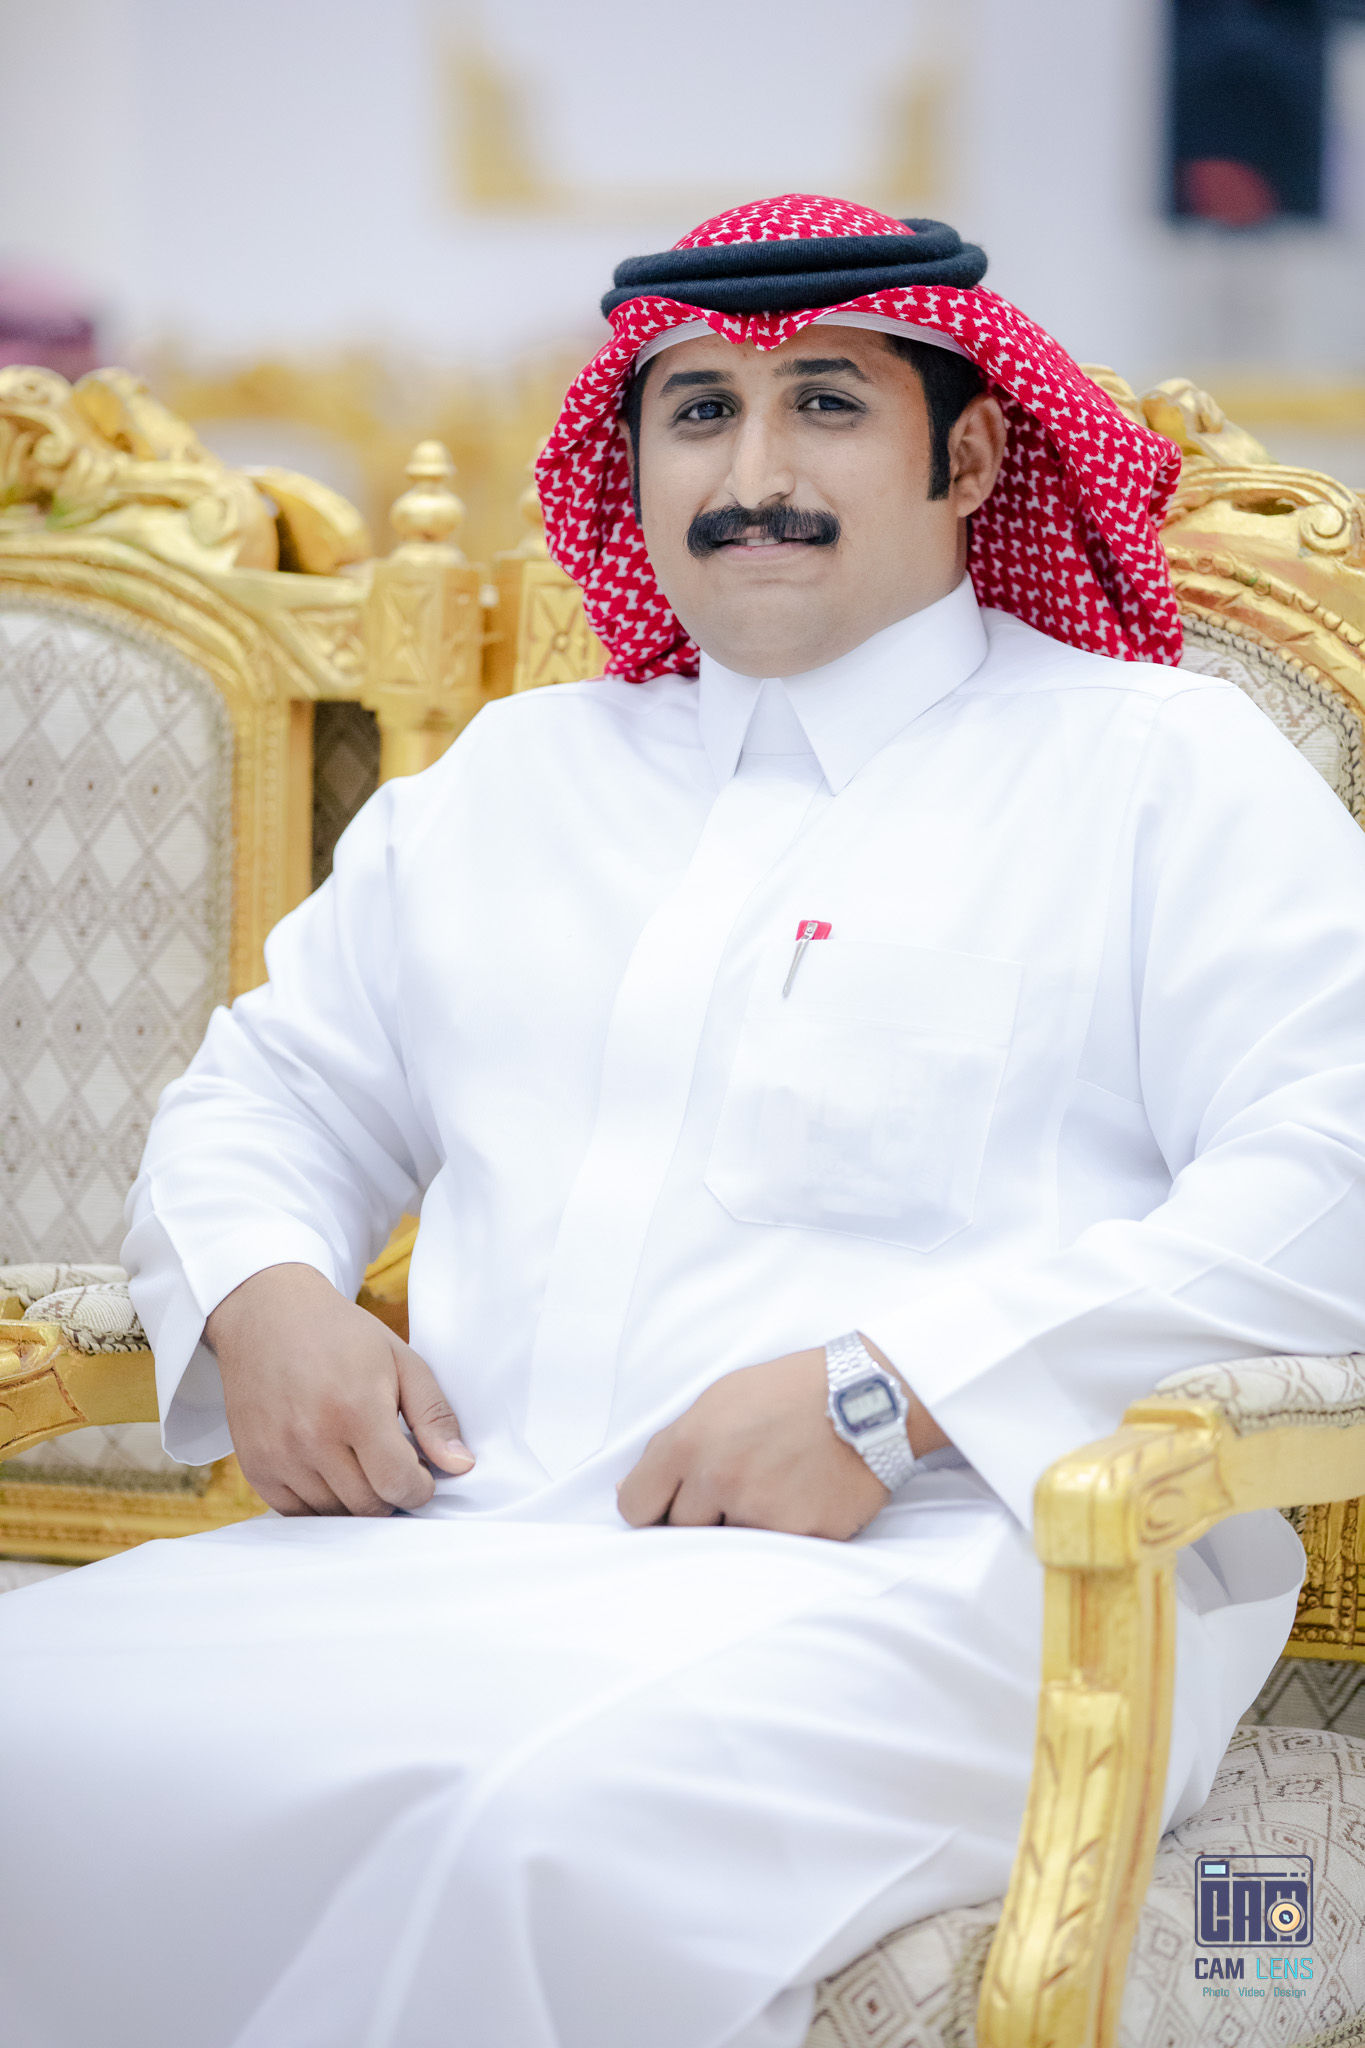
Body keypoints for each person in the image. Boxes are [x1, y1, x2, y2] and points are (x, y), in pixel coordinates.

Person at [2, 193, 1363, 2048]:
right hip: (448, 1546)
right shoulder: (514, 780)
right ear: (631, 462)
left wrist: (896, 1388)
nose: (753, 474)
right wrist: (264, 1294)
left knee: (525, 1840)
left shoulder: (1156, 769)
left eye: (825, 404)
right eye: (700, 411)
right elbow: (272, 1088)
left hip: (953, 1583)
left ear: (969, 455)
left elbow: (1327, 1180)